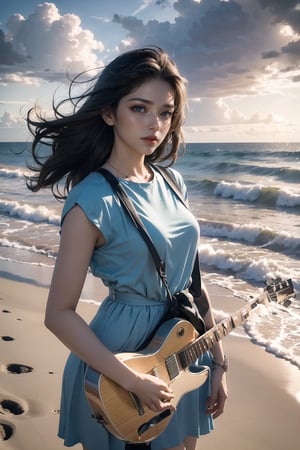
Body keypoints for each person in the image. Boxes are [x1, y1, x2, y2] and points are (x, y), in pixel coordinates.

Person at [26, 47, 228, 450]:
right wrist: (131, 379)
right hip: (117, 364)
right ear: (109, 113)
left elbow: (193, 284)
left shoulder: (173, 183)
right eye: (139, 108)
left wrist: (219, 362)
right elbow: (58, 314)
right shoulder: (91, 200)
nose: (156, 124)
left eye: (166, 112)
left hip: (182, 349)